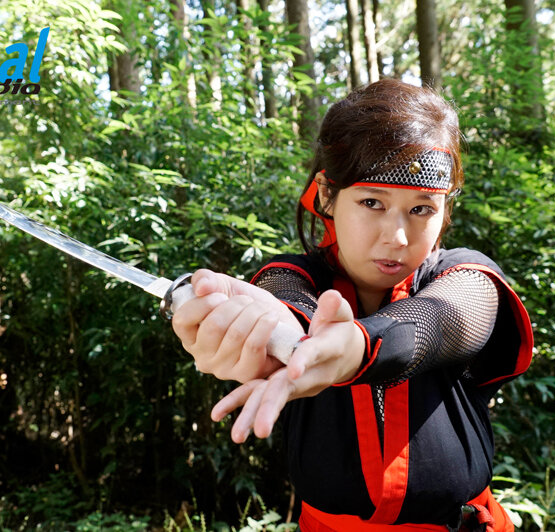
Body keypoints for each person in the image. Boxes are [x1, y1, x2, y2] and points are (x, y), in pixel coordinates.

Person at [171, 78, 533, 531]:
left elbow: (442, 319)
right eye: (372, 202)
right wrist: (279, 338)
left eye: (422, 209)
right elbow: (288, 306)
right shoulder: (291, 276)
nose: (397, 237)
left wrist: (357, 348)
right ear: (327, 193)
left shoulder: (466, 277)